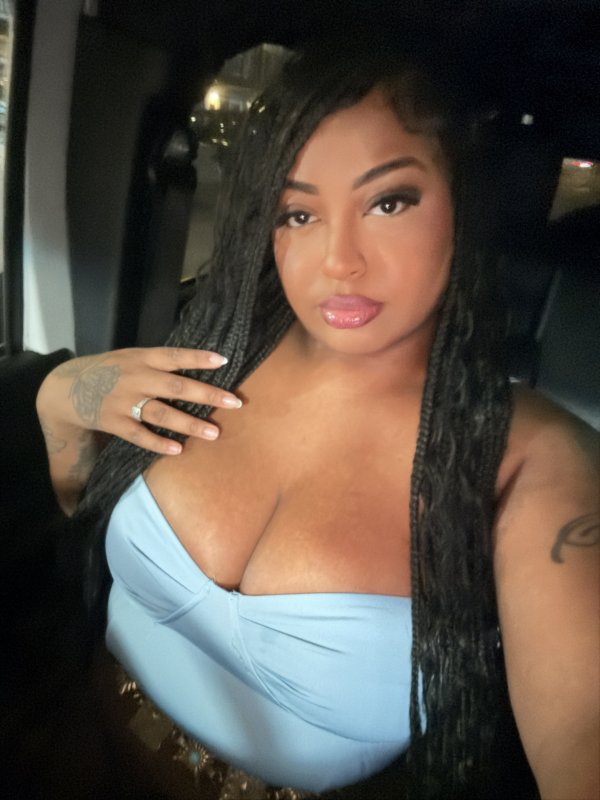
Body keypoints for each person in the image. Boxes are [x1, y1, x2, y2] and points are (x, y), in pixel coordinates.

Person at [36, 34, 598, 800]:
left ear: (465, 203)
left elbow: (581, 730)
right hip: (73, 742)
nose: (339, 260)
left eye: (389, 202)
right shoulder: (211, 351)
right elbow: (80, 515)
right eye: (298, 214)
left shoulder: (531, 460)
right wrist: (62, 395)